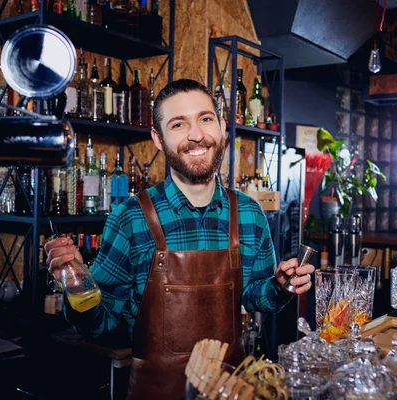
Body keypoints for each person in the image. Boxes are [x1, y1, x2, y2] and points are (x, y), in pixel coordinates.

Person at [45, 79, 315, 399]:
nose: (196, 135)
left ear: (222, 126)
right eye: (178, 124)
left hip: (229, 392)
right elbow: (100, 324)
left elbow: (258, 297)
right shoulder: (130, 219)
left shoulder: (249, 213)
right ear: (158, 139)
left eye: (205, 119)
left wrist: (280, 285)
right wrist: (77, 285)